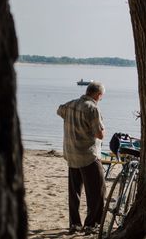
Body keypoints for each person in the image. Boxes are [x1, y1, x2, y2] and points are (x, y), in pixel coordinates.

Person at [57, 81, 106, 235]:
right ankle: (92, 224)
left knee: (74, 192)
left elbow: (59, 110)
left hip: (71, 154)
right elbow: (99, 134)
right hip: (88, 156)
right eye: (101, 96)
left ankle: (74, 224)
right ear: (98, 95)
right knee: (97, 191)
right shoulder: (92, 108)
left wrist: (73, 121)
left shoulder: (71, 104)